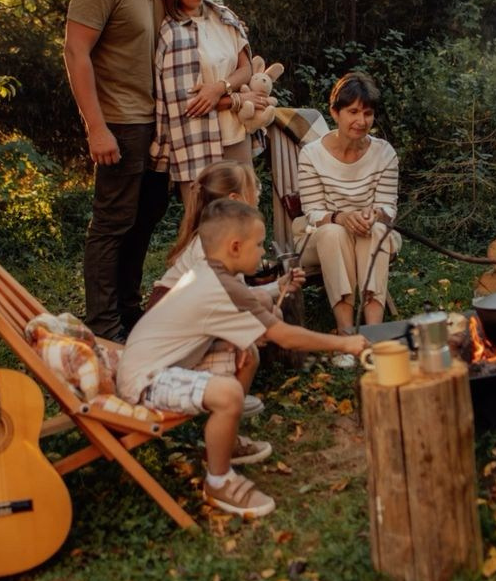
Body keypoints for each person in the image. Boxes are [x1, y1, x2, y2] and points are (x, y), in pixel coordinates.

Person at [117, 198, 368, 518]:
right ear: (235, 246)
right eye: (260, 245)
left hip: (158, 364)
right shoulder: (219, 288)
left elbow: (253, 299)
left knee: (246, 353)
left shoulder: (212, 273)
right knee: (229, 394)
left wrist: (280, 288)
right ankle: (218, 481)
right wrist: (344, 345)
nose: (264, 252)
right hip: (145, 380)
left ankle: (227, 441)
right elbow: (285, 337)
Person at [63, 0, 178, 343]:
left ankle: (128, 313)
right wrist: (97, 128)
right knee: (112, 226)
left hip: (155, 123)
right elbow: (75, 52)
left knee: (145, 220)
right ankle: (104, 327)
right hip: (120, 125)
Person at [149, 0, 270, 206]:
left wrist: (219, 88)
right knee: (206, 222)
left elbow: (245, 68)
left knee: (245, 213)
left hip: (235, 135)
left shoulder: (222, 16)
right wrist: (237, 100)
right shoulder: (171, 34)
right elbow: (186, 104)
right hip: (197, 142)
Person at [297, 71, 399, 341]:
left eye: (367, 113)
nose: (360, 121)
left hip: (369, 232)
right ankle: (346, 333)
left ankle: (374, 333)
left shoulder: (384, 153)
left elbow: (388, 209)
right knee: (334, 233)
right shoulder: (312, 154)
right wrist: (340, 217)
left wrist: (373, 214)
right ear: (335, 112)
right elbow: (313, 211)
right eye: (353, 111)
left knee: (375, 231)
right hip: (322, 234)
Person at [146, 159, 305, 312]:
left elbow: (235, 291)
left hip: (198, 308)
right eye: (255, 188)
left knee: (270, 311)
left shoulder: (230, 235)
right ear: (235, 199)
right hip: (173, 310)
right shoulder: (208, 245)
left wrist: (278, 287)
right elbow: (224, 299)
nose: (258, 194)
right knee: (262, 302)